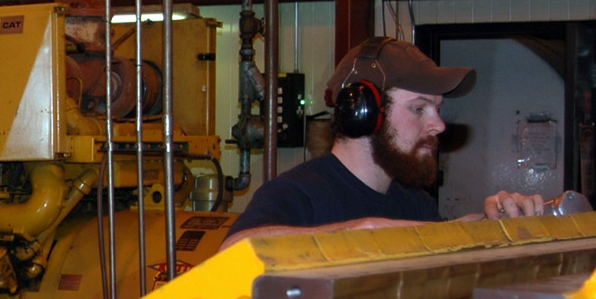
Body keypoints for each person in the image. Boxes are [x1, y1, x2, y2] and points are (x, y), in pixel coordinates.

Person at [222, 37, 545, 247]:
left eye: (437, 109)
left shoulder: (415, 204)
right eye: (419, 108)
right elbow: (233, 251)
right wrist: (361, 232)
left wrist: (484, 227)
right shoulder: (298, 194)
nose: (438, 125)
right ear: (362, 111)